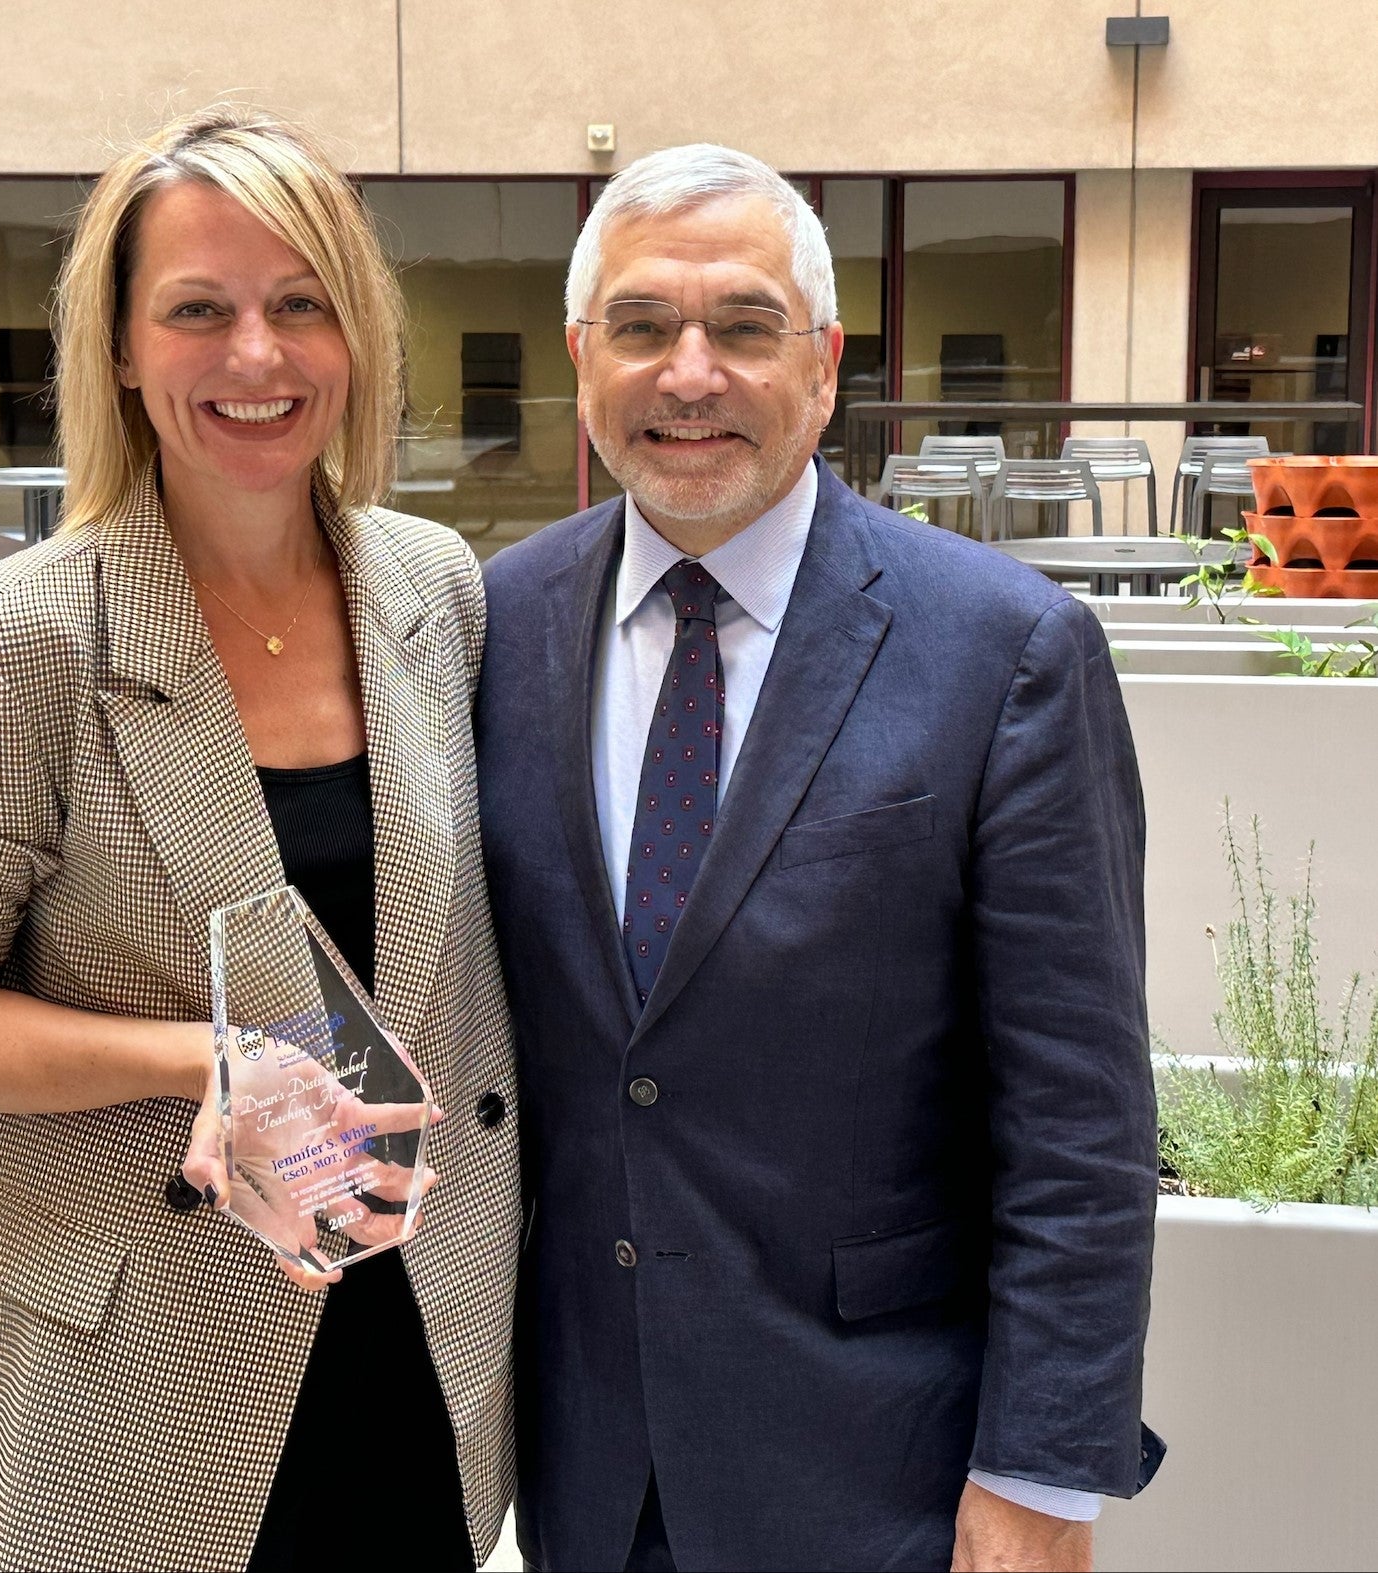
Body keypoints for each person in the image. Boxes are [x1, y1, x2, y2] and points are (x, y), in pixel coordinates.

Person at [0, 107, 519, 1572]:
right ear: (122, 350)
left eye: (299, 305)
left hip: (417, 1320)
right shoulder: (6, 648)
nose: (257, 358)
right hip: (139, 1357)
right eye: (198, 310)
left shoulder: (433, 588)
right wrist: (201, 1061)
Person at [476, 144, 1164, 1572]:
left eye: (741, 326)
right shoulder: (492, 624)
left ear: (827, 362)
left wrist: (1041, 1469)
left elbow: (1079, 1115)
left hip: (883, 1465)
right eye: (642, 326)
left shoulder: (1003, 648)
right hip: (587, 1453)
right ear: (578, 356)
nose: (689, 373)